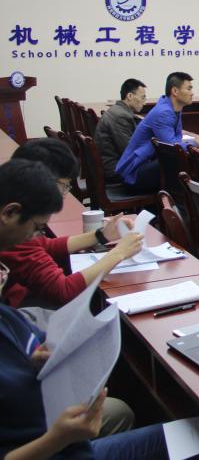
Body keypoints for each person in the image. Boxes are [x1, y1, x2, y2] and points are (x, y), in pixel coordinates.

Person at [0, 160, 171, 460]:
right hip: (49, 442)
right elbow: (61, 289)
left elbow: (43, 248)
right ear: (10, 213)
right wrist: (57, 439)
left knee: (120, 411)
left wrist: (30, 362)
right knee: (191, 439)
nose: (36, 237)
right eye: (36, 228)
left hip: (38, 413)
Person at [0, 139, 143, 309]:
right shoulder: (17, 234)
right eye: (65, 186)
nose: (65, 193)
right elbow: (63, 291)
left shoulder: (16, 219)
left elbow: (43, 245)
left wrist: (101, 235)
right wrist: (119, 253)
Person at [115, 72, 199, 194]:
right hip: (134, 174)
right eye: (189, 88)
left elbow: (176, 139)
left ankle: (189, 200)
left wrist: (191, 143)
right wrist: (195, 143)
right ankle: (189, 201)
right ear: (175, 91)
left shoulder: (173, 109)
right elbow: (172, 147)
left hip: (146, 164)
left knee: (185, 163)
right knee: (181, 163)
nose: (192, 93)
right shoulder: (163, 112)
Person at [93, 78, 147, 183]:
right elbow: (129, 152)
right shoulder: (121, 116)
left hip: (113, 163)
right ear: (130, 96)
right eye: (143, 97)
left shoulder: (117, 110)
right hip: (115, 169)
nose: (144, 102)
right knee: (162, 166)